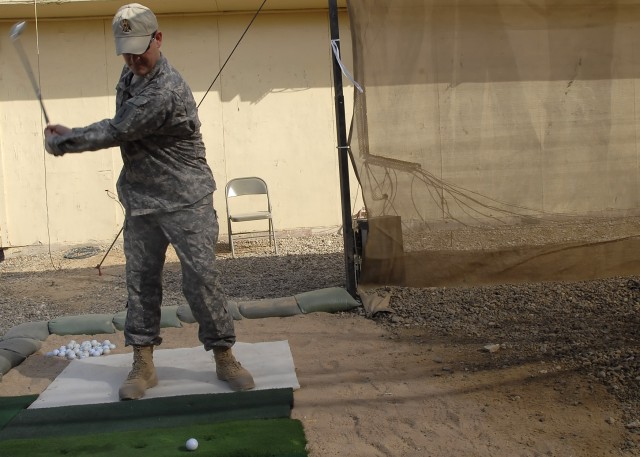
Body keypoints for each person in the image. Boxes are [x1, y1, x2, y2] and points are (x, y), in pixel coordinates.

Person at [44, 3, 255, 400]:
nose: (133, 58)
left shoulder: (166, 89)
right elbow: (125, 125)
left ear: (158, 39)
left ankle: (224, 355)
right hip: (142, 198)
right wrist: (69, 134)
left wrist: (65, 140)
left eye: (141, 48)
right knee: (140, 283)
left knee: (201, 280)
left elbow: (120, 129)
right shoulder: (130, 74)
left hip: (185, 198)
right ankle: (143, 361)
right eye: (126, 50)